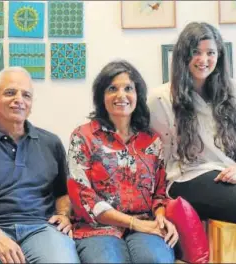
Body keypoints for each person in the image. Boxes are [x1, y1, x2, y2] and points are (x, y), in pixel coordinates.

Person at [148, 22, 236, 263]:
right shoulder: (161, 98)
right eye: (196, 52)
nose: (204, 59)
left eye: (211, 52)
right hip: (186, 176)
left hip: (232, 173)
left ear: (219, 56)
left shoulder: (235, 91)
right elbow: (149, 151)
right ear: (182, 56)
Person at [0, 67, 80, 263]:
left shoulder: (51, 143)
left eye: (26, 95)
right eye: (10, 93)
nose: (18, 99)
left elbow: (63, 192)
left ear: (30, 105)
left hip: (41, 229)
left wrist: (63, 214)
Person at [67, 60, 178, 263]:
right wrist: (133, 223)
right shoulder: (83, 136)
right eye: (112, 89)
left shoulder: (152, 140)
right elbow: (83, 198)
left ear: (138, 95)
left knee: (155, 260)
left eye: (128, 88)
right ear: (102, 96)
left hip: (146, 225)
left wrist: (161, 217)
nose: (121, 95)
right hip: (98, 229)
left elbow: (160, 193)